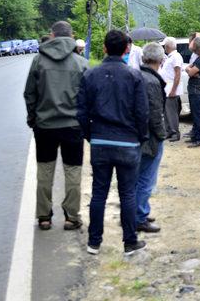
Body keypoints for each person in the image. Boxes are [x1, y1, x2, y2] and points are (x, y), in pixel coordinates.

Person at [77, 29, 149, 256]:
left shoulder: (91, 75)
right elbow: (142, 112)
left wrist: (90, 135)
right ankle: (129, 242)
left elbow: (81, 112)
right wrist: (140, 137)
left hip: (100, 140)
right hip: (128, 142)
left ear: (105, 48)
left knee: (99, 193)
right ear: (127, 49)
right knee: (127, 194)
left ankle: (94, 242)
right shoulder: (134, 76)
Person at [24, 21, 89, 232]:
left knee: (44, 171)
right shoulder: (81, 63)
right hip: (73, 126)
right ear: (71, 37)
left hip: (45, 125)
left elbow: (29, 94)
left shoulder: (38, 61)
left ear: (51, 35)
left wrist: (33, 119)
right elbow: (88, 99)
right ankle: (71, 216)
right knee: (72, 171)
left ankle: (44, 216)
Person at [135, 43, 167, 234]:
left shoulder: (136, 75)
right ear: (161, 61)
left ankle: (139, 211)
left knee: (135, 178)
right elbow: (155, 113)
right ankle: (139, 217)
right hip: (149, 137)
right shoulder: (153, 81)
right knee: (146, 179)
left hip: (136, 135)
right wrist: (162, 134)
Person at [185, 37, 200, 148]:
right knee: (196, 115)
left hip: (198, 91)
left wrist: (191, 71)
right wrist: (191, 71)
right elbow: (188, 69)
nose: (192, 49)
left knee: (199, 115)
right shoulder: (199, 58)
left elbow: (190, 72)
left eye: (194, 47)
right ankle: (195, 136)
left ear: (197, 48)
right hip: (195, 90)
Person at [160, 37, 183, 142]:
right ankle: (168, 131)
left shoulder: (176, 57)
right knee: (166, 112)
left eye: (165, 45)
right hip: (167, 88)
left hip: (171, 88)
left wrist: (174, 90)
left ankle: (175, 133)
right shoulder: (170, 57)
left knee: (171, 112)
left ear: (168, 46)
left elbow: (177, 73)